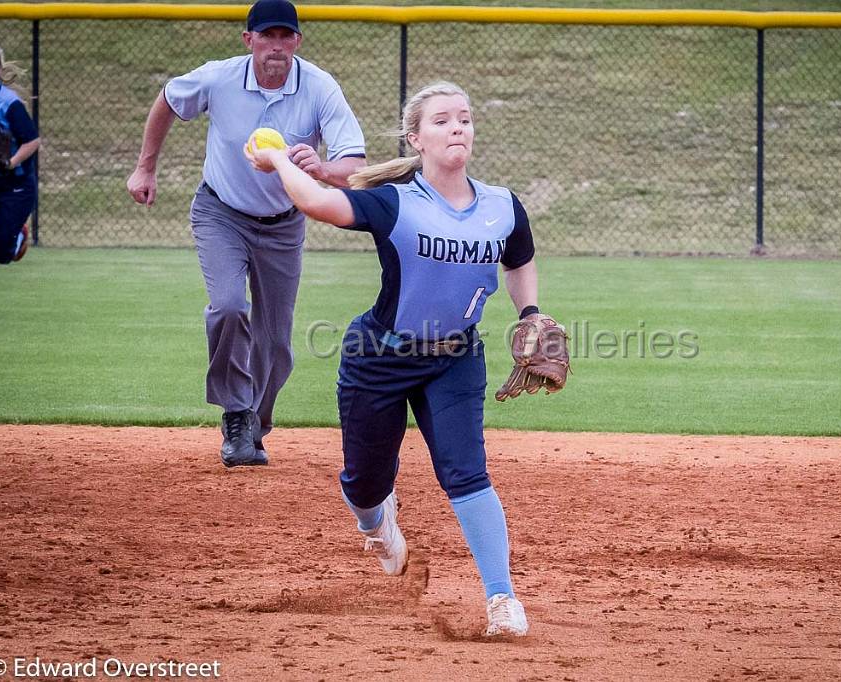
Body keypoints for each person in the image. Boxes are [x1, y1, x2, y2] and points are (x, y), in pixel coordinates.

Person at [247, 81, 541, 637]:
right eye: (442, 120)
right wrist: (280, 160)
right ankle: (378, 524)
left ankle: (502, 599)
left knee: (467, 472)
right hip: (377, 358)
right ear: (416, 137)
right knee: (364, 482)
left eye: (465, 119)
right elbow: (314, 202)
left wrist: (530, 313)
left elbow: (520, 257)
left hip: (455, 358)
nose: (458, 127)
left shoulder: (502, 205)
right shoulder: (395, 200)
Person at [126, 0, 367, 467]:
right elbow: (169, 100)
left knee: (275, 343)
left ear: (298, 41)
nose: (276, 46)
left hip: (283, 224)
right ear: (248, 40)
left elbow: (353, 166)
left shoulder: (319, 88)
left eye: (285, 37)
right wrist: (145, 168)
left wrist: (323, 167)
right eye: (266, 36)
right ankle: (236, 414)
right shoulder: (219, 78)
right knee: (229, 306)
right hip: (221, 212)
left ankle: (257, 421)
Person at [0, 44, 39, 265]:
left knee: (1, 255)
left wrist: (11, 162)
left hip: (15, 186)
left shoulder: (9, 103)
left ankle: (19, 233)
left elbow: (33, 141)